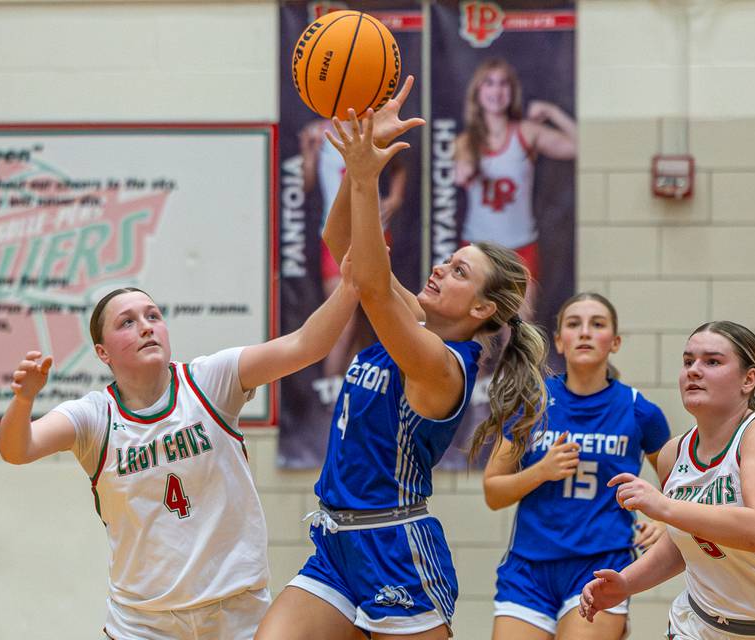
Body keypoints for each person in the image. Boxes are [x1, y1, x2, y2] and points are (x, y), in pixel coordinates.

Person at [255, 82, 548, 640]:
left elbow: (365, 280)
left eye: (459, 272)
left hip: (395, 550)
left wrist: (367, 175)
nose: (440, 268)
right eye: (448, 259)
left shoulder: (441, 363)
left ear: (483, 308)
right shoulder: (411, 315)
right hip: (337, 545)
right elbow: (339, 239)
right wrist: (355, 165)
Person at [0, 273, 360, 639]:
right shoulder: (94, 416)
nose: (146, 327)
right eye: (128, 322)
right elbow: (17, 449)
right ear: (102, 352)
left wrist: (350, 285)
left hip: (234, 614)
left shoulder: (209, 381)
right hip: (143, 624)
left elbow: (305, 344)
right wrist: (23, 401)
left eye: (153, 316)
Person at [482, 292, 670, 640]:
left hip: (600, 565)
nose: (584, 332)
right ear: (559, 341)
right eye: (573, 324)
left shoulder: (640, 410)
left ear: (614, 342)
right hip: (528, 569)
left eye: (597, 324)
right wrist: (541, 471)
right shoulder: (531, 404)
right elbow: (493, 492)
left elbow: (680, 486)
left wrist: (664, 523)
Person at [579, 321, 755, 639]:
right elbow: (685, 541)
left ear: (749, 380)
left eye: (712, 361)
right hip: (696, 624)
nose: (694, 370)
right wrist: (626, 583)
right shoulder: (673, 452)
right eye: (688, 361)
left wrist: (664, 507)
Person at [454, 58, 576, 318]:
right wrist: (466, 167)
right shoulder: (467, 141)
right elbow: (460, 173)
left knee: (521, 332)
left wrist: (553, 112)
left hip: (520, 247)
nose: (496, 91)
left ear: (512, 92)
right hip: (478, 248)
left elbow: (577, 146)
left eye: (503, 84)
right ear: (478, 91)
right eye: (489, 83)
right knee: (476, 330)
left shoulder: (526, 132)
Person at [300, 113, 407, 377]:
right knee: (342, 321)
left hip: (374, 233)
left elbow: (399, 165)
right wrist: (308, 152)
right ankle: (329, 396)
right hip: (337, 237)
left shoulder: (373, 128)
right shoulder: (319, 132)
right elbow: (306, 183)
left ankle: (347, 389)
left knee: (370, 320)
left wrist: (394, 198)